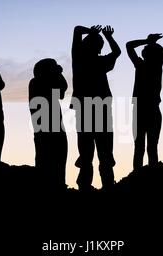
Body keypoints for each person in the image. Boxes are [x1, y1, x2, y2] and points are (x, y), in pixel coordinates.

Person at [71, 25, 121, 191]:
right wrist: (108, 36)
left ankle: (86, 185)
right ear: (99, 48)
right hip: (99, 108)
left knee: (88, 152)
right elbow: (117, 52)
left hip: (87, 108)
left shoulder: (78, 59)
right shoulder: (98, 61)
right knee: (103, 151)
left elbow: (77, 30)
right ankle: (105, 184)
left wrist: (92, 32)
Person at [126, 33, 163, 169]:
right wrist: (151, 42)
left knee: (140, 148)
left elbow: (129, 45)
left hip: (142, 109)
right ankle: (149, 175)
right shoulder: (156, 66)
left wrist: (148, 41)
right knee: (151, 147)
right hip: (151, 109)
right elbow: (129, 46)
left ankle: (140, 175)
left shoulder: (142, 66)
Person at [29, 58, 68, 190]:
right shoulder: (36, 82)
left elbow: (62, 91)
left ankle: (57, 186)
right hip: (46, 131)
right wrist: (59, 73)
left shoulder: (43, 82)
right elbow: (62, 89)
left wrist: (58, 74)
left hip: (54, 129)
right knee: (46, 163)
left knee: (59, 163)